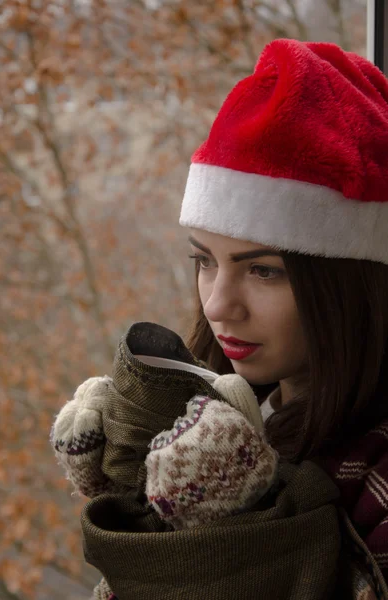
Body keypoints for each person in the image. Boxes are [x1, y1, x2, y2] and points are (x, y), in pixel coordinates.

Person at [52, 38, 388, 599]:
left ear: (350, 288)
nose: (215, 304)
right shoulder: (231, 414)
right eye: (205, 261)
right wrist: (131, 491)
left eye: (264, 271)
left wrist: (225, 522)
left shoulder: (376, 474)